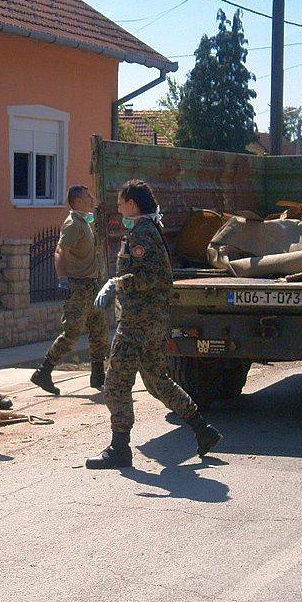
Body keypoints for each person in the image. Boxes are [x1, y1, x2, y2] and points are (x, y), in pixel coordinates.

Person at [86, 180, 221, 469]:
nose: (119, 208)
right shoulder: (148, 230)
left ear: (132, 204)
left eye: (121, 203)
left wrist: (116, 282)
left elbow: (156, 277)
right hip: (153, 322)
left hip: (137, 323)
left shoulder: (142, 234)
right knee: (158, 382)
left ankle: (119, 448)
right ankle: (203, 430)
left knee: (116, 383)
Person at [31, 185, 109, 395]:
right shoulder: (73, 224)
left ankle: (98, 375)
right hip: (79, 286)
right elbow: (59, 251)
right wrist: (63, 280)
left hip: (91, 285)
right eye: (88, 195)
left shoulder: (84, 221)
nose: (91, 197)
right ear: (78, 201)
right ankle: (43, 372)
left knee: (99, 330)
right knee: (72, 333)